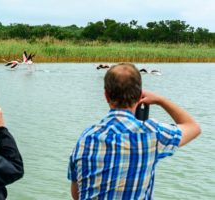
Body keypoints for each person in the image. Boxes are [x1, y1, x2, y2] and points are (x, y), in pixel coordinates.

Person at [68, 63, 201, 199]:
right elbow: (193, 127)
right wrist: (160, 100)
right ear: (139, 96)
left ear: (106, 96)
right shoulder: (152, 134)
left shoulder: (85, 139)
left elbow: (76, 195)